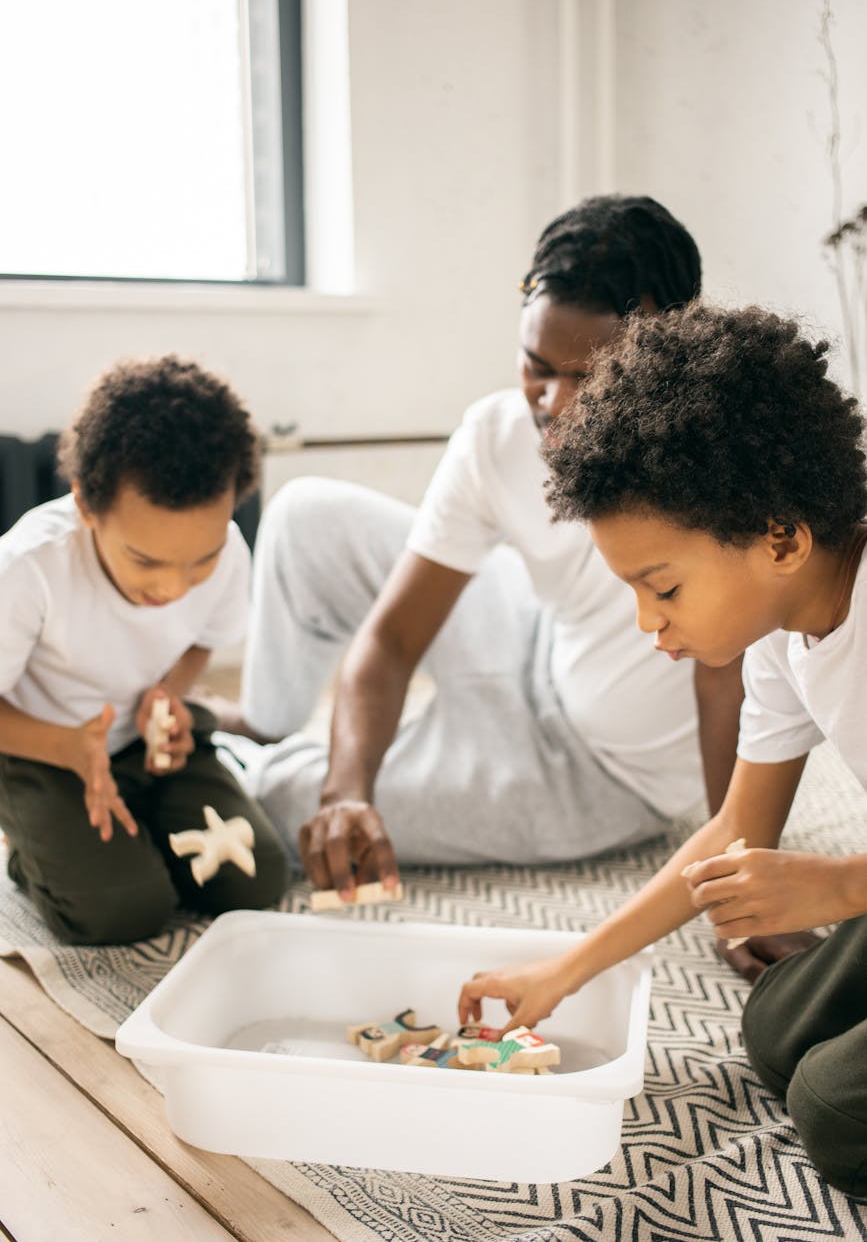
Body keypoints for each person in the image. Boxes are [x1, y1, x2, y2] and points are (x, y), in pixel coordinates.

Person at [458, 301, 867, 1195]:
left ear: (781, 538)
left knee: (835, 1114)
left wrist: (837, 883)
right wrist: (563, 970)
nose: (649, 624)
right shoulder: (780, 638)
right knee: (777, 1032)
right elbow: (731, 832)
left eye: (663, 586)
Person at [238, 199, 738, 878]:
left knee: (264, 805)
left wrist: (733, 865)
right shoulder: (498, 434)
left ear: (667, 348)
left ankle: (236, 760)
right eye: (537, 364)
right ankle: (261, 723)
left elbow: (725, 684)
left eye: (588, 376)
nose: (553, 403)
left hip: (594, 771)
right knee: (304, 516)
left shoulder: (720, 467)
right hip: (534, 634)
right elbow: (391, 640)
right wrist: (345, 792)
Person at [0, 357, 286, 944]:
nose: (173, 587)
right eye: (146, 561)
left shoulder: (227, 548)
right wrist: (67, 746)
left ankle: (135, 827)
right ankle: (28, 851)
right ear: (86, 505)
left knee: (254, 881)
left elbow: (202, 642)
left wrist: (170, 697)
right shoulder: (29, 567)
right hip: (38, 749)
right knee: (121, 912)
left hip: (143, 742)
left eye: (199, 561)